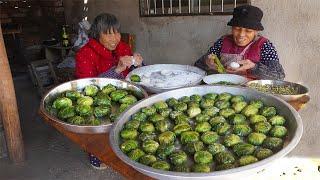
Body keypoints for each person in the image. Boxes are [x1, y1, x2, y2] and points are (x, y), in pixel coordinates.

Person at [75, 13, 143, 169]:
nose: (115, 38)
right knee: (100, 125)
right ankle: (97, 155)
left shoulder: (123, 47)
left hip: (125, 96)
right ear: (97, 34)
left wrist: (138, 63)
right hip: (98, 101)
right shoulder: (85, 54)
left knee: (130, 124)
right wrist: (117, 70)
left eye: (117, 32)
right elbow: (86, 88)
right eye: (108, 33)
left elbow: (134, 73)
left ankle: (124, 148)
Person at [195, 5, 285, 80]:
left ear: (256, 32)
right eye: (237, 29)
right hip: (224, 90)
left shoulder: (264, 45)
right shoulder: (223, 41)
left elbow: (279, 76)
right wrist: (206, 62)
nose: (241, 35)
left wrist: (253, 67)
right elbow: (197, 65)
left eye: (248, 31)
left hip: (253, 94)